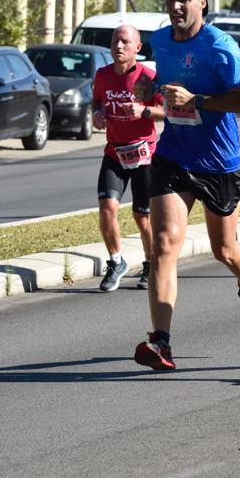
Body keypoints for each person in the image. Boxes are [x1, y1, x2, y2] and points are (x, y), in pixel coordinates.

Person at [131, 0, 240, 372]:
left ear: (202, 3)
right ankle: (161, 342)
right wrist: (150, 89)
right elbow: (163, 77)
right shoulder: (160, 40)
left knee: (224, 249)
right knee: (164, 245)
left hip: (219, 161)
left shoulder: (221, 47)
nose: (175, 6)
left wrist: (200, 99)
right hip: (174, 154)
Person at [92, 25, 165, 292]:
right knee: (106, 207)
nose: (118, 46)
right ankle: (116, 261)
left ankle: (150, 264)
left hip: (144, 154)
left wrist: (143, 110)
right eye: (115, 41)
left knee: (142, 217)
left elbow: (167, 110)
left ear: (138, 48)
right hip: (115, 152)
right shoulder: (103, 75)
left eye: (124, 42)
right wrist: (97, 113)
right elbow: (97, 101)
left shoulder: (147, 77)